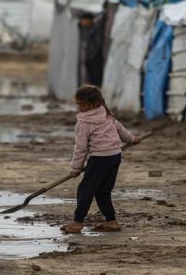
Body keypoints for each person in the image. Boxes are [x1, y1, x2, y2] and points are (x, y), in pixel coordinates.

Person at [60, 85, 141, 234]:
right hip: (115, 156)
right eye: (78, 104)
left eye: (82, 105)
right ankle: (111, 221)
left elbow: (80, 148)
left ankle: (77, 222)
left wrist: (76, 168)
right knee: (103, 191)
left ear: (94, 103)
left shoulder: (83, 123)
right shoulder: (107, 114)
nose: (79, 108)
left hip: (100, 159)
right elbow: (121, 130)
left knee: (85, 190)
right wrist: (131, 139)